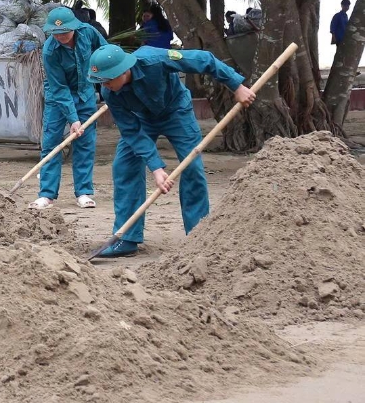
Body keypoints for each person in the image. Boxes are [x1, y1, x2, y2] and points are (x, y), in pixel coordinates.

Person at [88, 43, 256, 257]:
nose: (106, 85)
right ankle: (127, 239)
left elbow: (204, 59)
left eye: (109, 79)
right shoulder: (110, 93)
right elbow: (131, 132)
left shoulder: (155, 60)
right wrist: (157, 168)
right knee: (124, 166)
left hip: (177, 112)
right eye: (102, 81)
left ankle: (198, 237)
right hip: (143, 119)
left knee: (192, 168)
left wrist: (236, 85)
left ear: (123, 70)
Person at [30, 8, 107, 211]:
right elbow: (60, 88)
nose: (61, 36)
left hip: (85, 93)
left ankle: (83, 192)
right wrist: (73, 119)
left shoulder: (88, 32)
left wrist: (109, 87)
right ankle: (47, 194)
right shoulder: (50, 51)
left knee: (85, 143)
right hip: (58, 96)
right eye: (57, 33)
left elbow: (105, 53)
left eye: (65, 32)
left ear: (74, 27)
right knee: (51, 143)